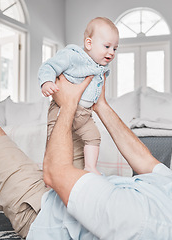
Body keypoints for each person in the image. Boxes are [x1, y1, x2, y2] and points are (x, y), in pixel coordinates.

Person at [0, 75, 172, 239]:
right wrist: (101, 105)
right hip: (79, 192)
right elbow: (145, 162)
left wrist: (69, 104)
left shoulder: (142, 218)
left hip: (42, 210)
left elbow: (54, 172)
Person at [38, 17, 119, 174]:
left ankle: (90, 167)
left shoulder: (101, 67)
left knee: (94, 137)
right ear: (89, 44)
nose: (111, 52)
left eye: (115, 48)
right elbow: (48, 66)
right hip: (61, 110)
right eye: (107, 46)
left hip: (84, 114)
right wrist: (46, 82)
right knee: (55, 141)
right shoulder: (72, 56)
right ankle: (51, 171)